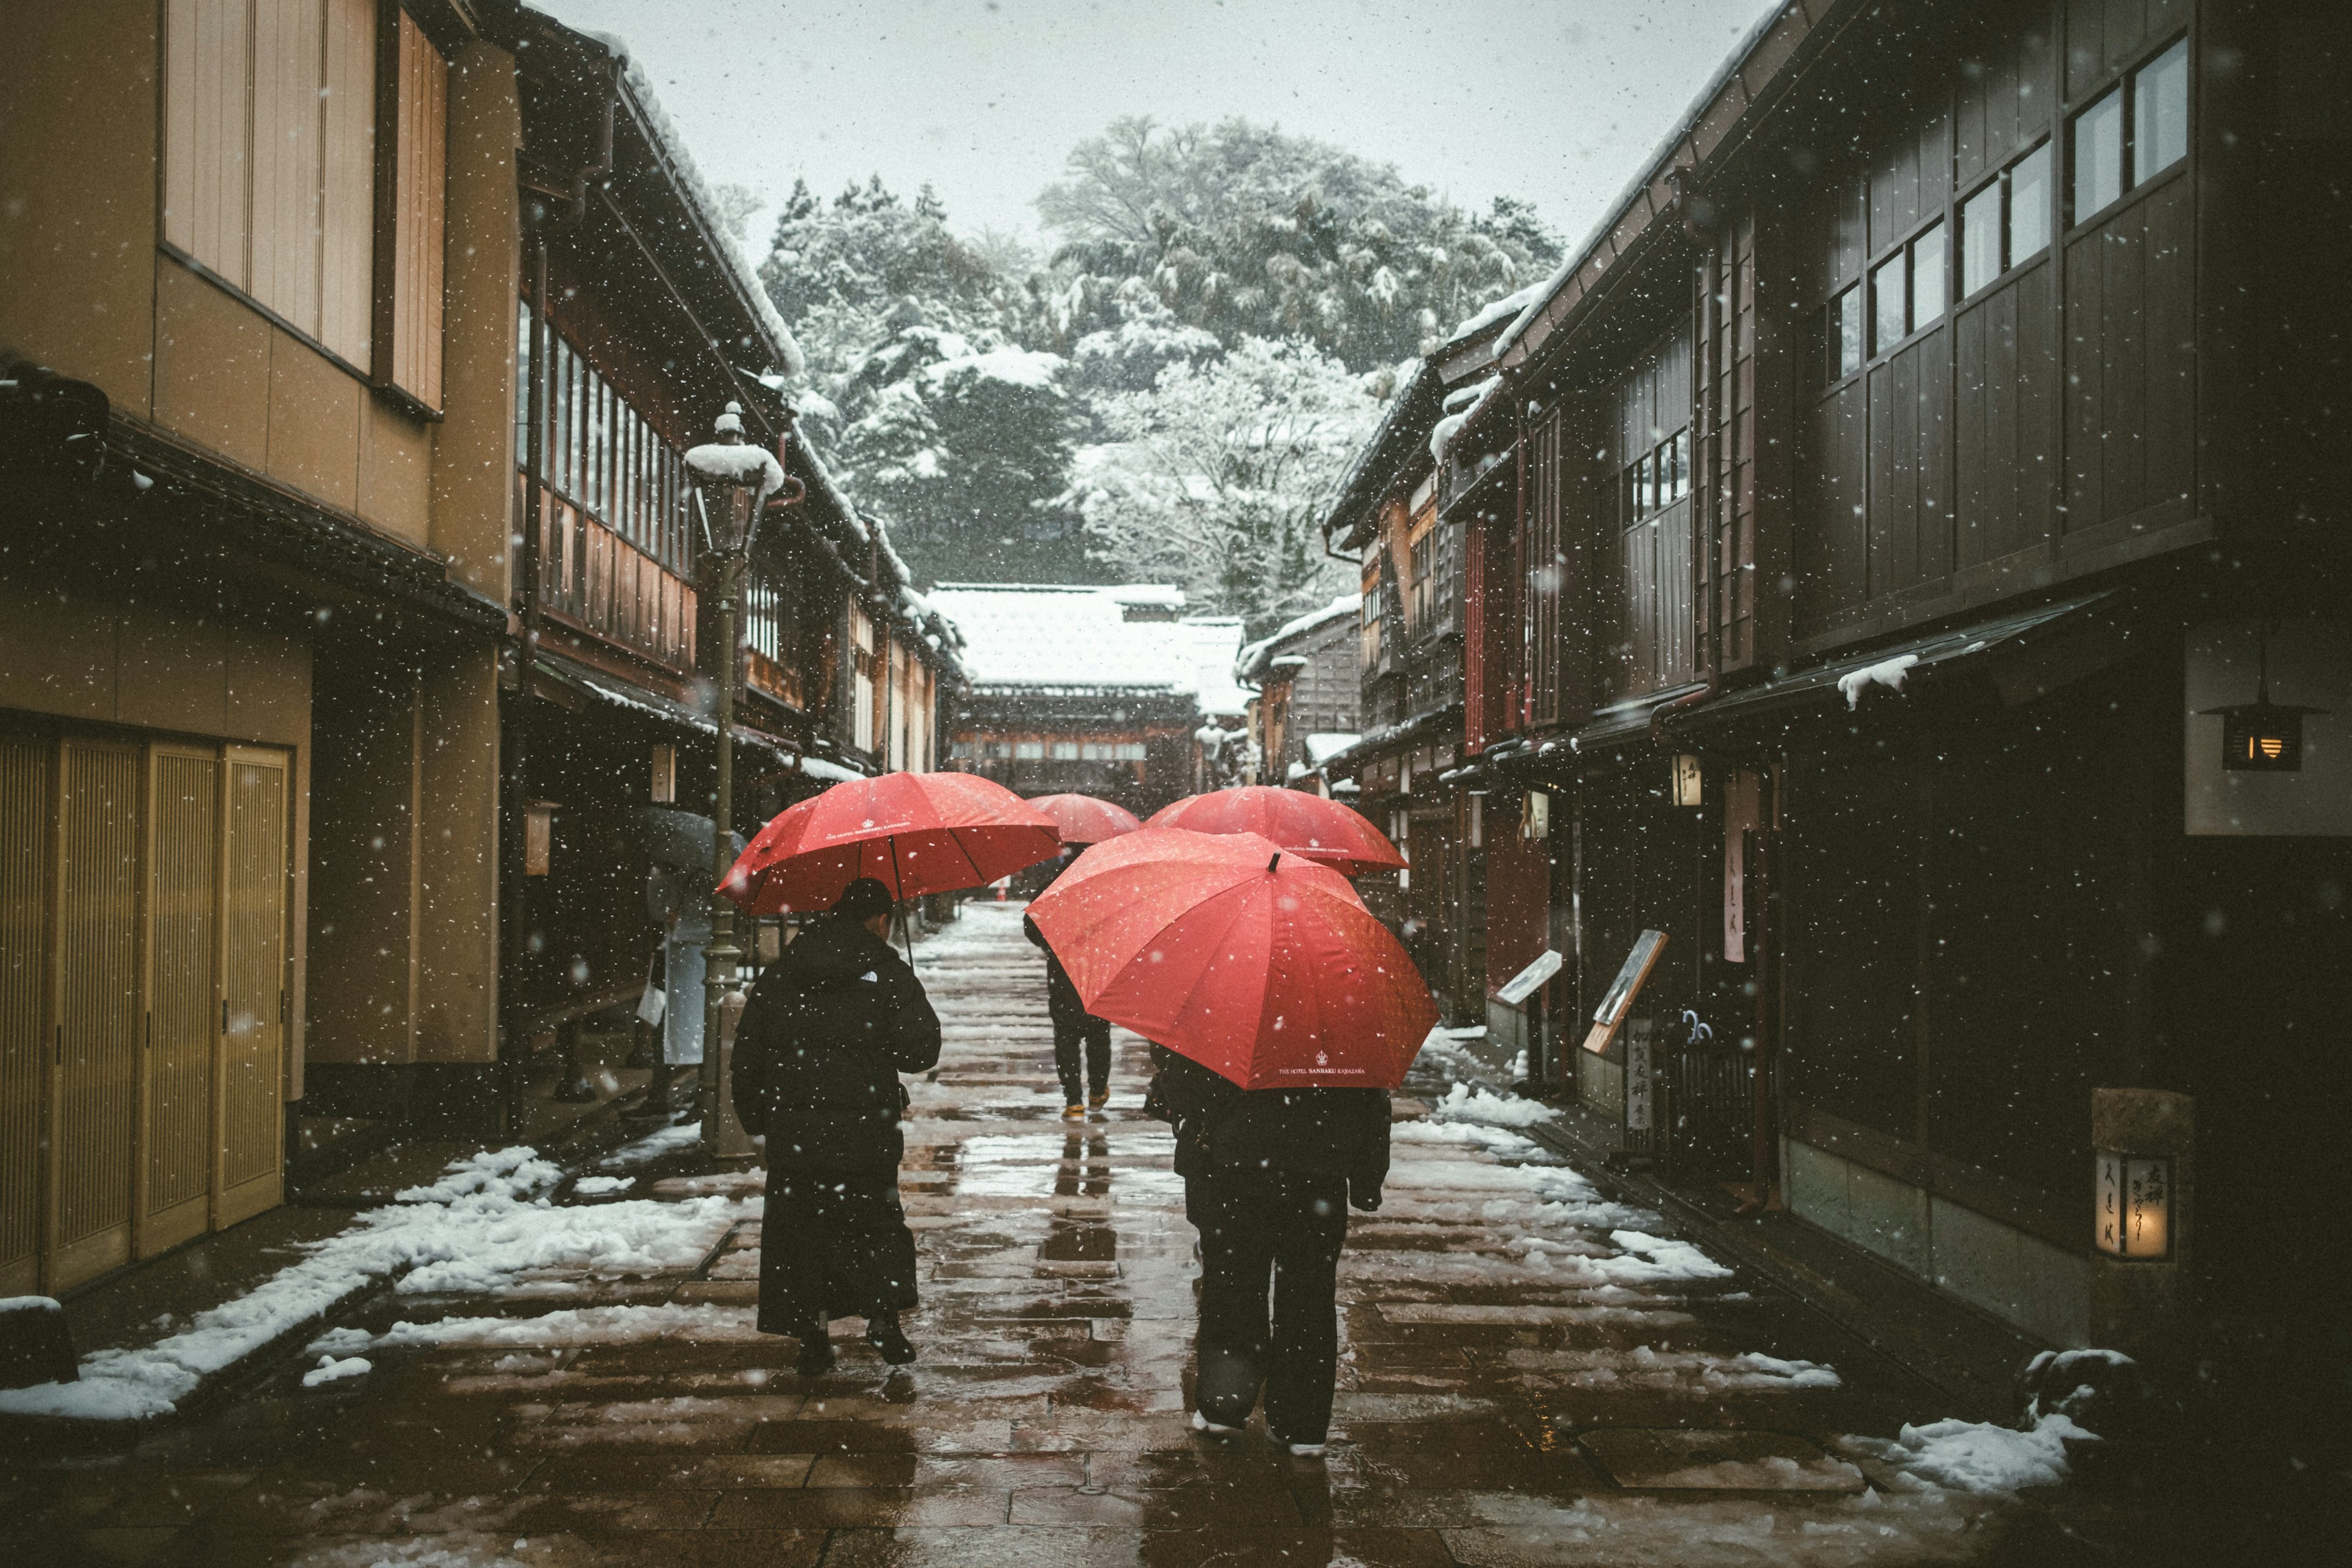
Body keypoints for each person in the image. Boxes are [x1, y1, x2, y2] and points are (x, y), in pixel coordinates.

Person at [732, 876, 941, 1374]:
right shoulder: (886, 974)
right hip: (865, 1130)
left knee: (801, 1232)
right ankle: (884, 1319)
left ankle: (812, 1335)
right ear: (882, 922)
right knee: (874, 1224)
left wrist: (759, 1120)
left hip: (797, 1134)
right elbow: (920, 1053)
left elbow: (748, 1056)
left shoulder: (783, 973)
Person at [1144, 1046, 1391, 1455]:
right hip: (1319, 1172)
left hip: (1238, 1166)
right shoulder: (1341, 1021)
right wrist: (1367, 1178)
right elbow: (1370, 1099)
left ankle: (1225, 1407)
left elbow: (1185, 1083)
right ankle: (1304, 1424)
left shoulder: (1228, 999)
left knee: (1234, 1286)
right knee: (1309, 1294)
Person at [1024, 855, 1112, 1119]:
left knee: (1066, 1039)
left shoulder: (1053, 887)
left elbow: (1032, 927)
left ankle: (1074, 1100)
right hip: (1097, 975)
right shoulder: (1106, 888)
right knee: (1099, 1036)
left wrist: (1052, 946)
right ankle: (1097, 1091)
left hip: (1062, 976)